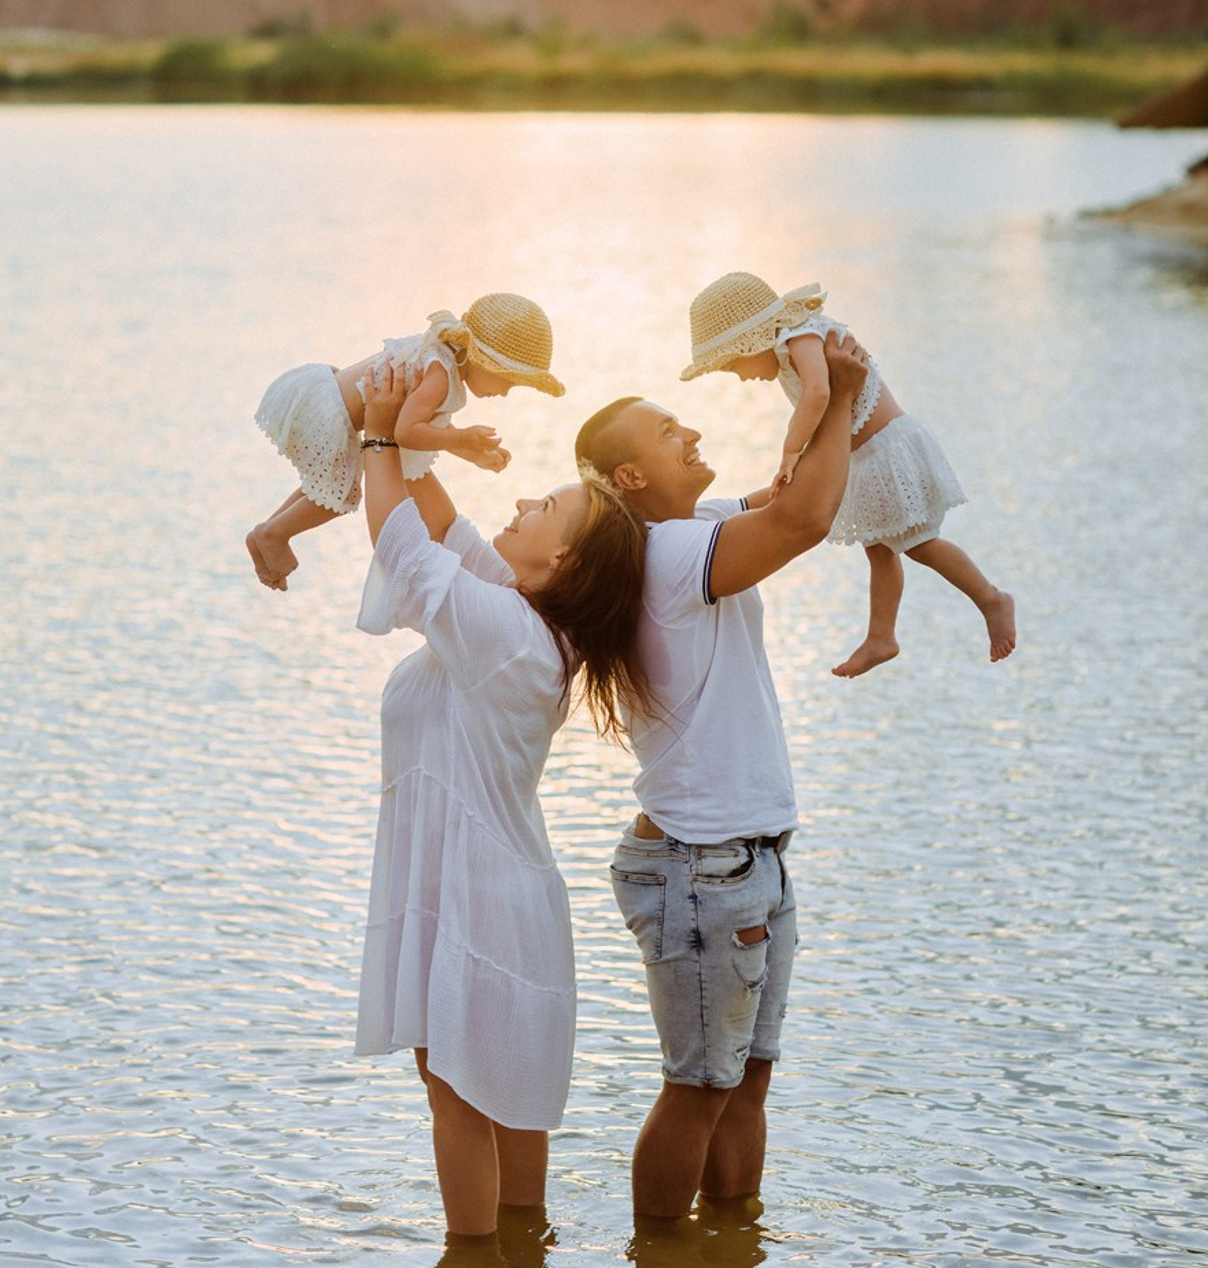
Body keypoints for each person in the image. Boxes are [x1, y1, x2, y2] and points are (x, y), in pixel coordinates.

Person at [353, 364, 650, 1250]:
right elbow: (439, 521)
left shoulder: (506, 634)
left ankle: (476, 1253)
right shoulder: (529, 620)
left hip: (476, 892)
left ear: (560, 562)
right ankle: (523, 1244)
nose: (522, 504)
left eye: (544, 509)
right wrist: (409, 435)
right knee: (501, 1097)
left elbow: (400, 544)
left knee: (457, 1088)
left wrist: (376, 438)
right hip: (497, 885)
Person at [574, 330, 868, 1223]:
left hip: (749, 862)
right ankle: (659, 1251)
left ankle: (733, 1242)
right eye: (667, 431)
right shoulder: (666, 558)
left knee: (747, 1083)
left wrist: (815, 383)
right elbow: (805, 521)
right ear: (630, 477)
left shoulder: (690, 529)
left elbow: (801, 490)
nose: (689, 432)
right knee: (700, 1086)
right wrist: (843, 394)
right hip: (701, 870)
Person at [682, 271, 1016, 677]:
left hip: (885, 452)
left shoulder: (798, 337)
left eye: (734, 364)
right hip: (866, 458)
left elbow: (820, 393)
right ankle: (881, 636)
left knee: (921, 543)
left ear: (752, 338)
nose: (740, 375)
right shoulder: (793, 343)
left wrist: (791, 451)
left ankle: (990, 598)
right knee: (879, 548)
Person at [246, 292, 565, 591]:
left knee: (326, 487)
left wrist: (470, 451)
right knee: (342, 495)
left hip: (323, 397)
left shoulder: (444, 362)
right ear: (482, 359)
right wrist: (462, 437)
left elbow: (426, 423)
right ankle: (274, 533)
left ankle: (266, 533)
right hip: (331, 415)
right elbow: (406, 431)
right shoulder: (440, 375)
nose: (505, 392)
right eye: (507, 381)